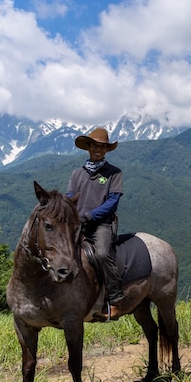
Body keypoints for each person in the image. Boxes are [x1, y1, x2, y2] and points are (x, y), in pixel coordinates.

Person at [67, 127, 125, 321]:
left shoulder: (113, 173)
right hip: (79, 223)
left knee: (101, 253)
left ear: (107, 149)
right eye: (95, 146)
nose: (98, 150)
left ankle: (115, 301)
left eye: (102, 147)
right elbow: (69, 198)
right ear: (88, 147)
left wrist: (90, 216)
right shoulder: (77, 174)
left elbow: (112, 202)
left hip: (101, 225)